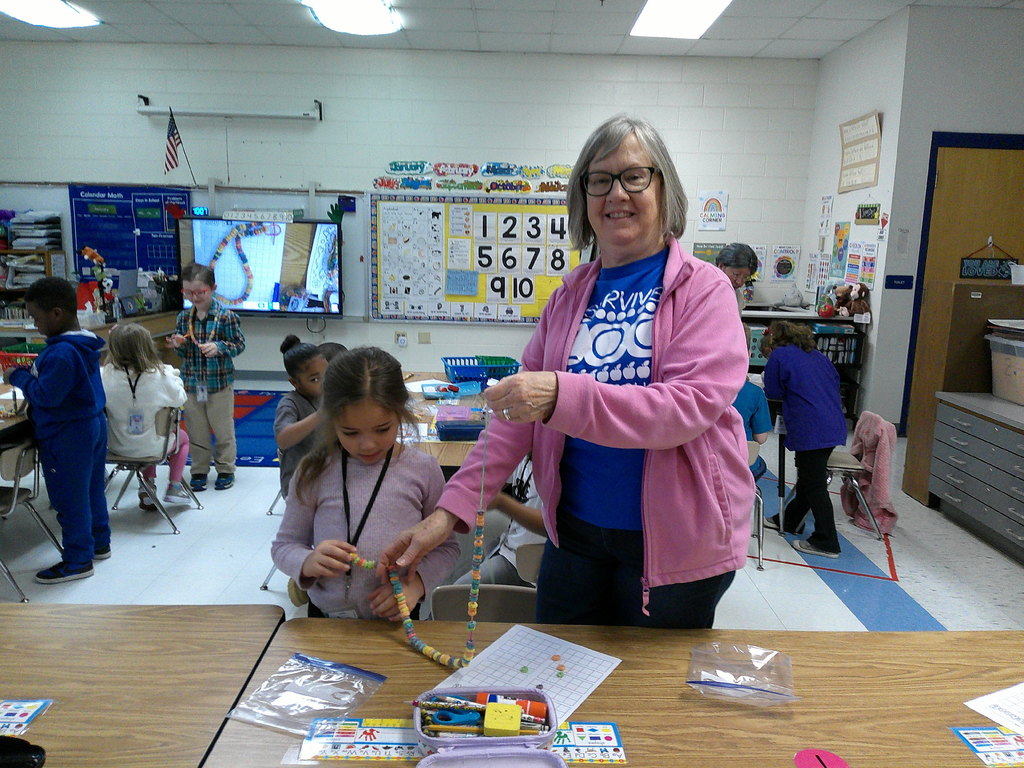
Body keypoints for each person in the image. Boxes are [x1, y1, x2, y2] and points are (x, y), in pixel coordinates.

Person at [380, 114, 753, 628]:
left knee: (648, 700)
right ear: (584, 198)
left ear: (664, 187)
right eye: (599, 180)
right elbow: (515, 421)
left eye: (634, 176)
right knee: (558, 672)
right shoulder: (570, 296)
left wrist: (560, 396)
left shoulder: (705, 290)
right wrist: (449, 514)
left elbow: (683, 410)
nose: (616, 193)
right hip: (575, 534)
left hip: (676, 544)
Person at [271, 346, 459, 619]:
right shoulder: (314, 471)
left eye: (383, 429)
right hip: (326, 619)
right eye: (351, 432)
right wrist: (307, 561)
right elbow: (284, 546)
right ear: (330, 420)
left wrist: (417, 585)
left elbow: (447, 547)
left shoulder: (423, 469)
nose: (368, 444)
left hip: (396, 619)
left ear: (401, 414)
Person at [2, 277, 109, 583]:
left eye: (36, 318)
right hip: (91, 424)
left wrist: (18, 377)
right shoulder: (83, 342)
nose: (35, 325)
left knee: (69, 498)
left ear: (57, 314)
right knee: (90, 491)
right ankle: (98, 543)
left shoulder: (62, 353)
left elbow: (47, 396)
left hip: (68, 433)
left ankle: (77, 560)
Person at [761, 320, 847, 558]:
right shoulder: (818, 356)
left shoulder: (779, 356)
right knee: (809, 477)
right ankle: (789, 520)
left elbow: (774, 392)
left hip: (811, 425)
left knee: (814, 483)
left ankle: (826, 540)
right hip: (832, 423)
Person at [166, 263, 245, 492]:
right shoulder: (183, 317)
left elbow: (239, 345)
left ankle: (225, 469)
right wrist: (177, 344)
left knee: (223, 429)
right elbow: (184, 352)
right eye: (188, 293)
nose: (194, 297)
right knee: (196, 429)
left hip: (218, 383)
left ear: (212, 289)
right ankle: (199, 469)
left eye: (199, 292)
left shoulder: (226, 316)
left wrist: (219, 347)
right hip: (192, 383)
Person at [101, 322, 189, 508]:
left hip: (116, 447)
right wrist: (174, 376)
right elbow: (180, 399)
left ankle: (147, 486)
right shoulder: (160, 374)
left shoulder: (104, 375)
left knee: (152, 432)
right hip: (153, 448)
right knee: (180, 438)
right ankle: (174, 485)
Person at [453, 457, 546, 588]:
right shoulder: (524, 458)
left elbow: (549, 526)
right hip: (508, 547)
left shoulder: (554, 468)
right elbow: (491, 480)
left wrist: (501, 503)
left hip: (527, 561)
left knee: (456, 594)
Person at [273, 335, 328, 499]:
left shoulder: (327, 393)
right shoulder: (290, 404)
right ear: (295, 383)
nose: (324, 382)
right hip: (300, 484)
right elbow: (283, 439)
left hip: (326, 475)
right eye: (315, 379)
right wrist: (320, 415)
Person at [733, 324, 772, 481]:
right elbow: (761, 438)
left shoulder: (699, 389)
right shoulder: (755, 393)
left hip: (704, 465)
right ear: (748, 354)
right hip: (742, 464)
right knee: (757, 463)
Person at [715, 242, 759, 310]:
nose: (739, 282)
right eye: (736, 274)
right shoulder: (704, 290)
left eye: (745, 277)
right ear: (721, 266)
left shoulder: (738, 296)